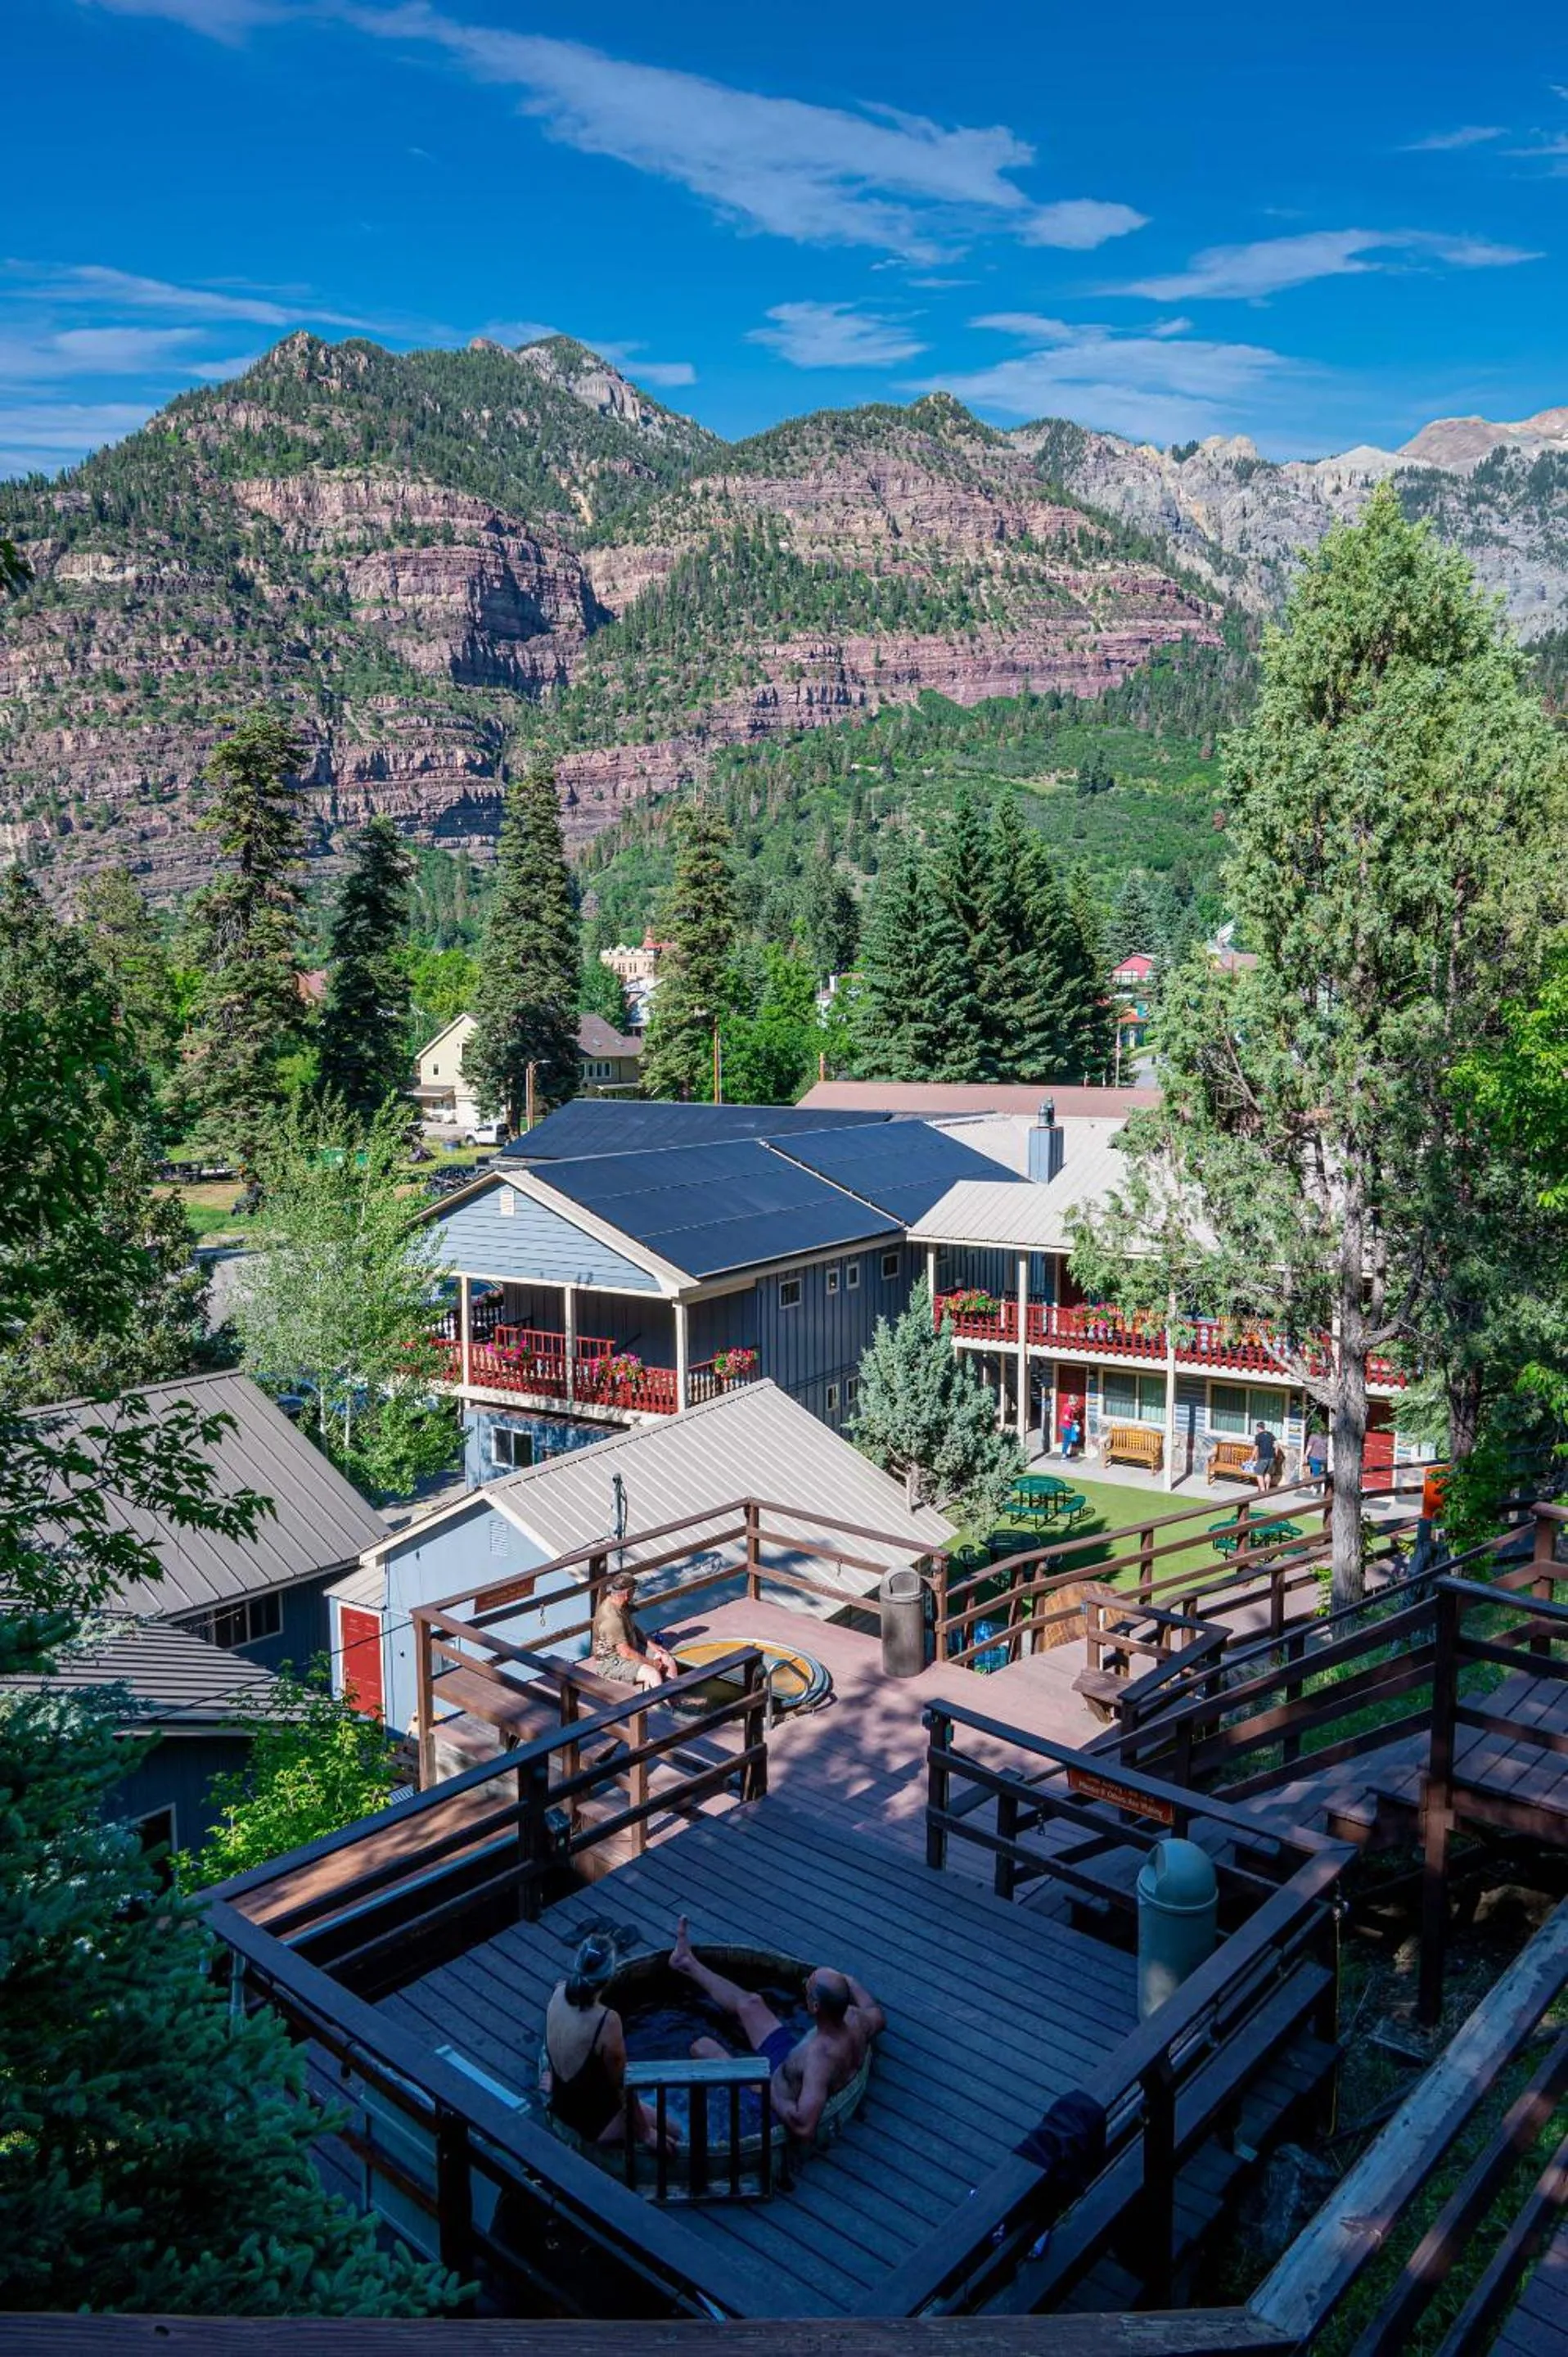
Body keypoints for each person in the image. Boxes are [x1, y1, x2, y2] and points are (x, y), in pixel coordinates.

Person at [670, 1914, 885, 2143]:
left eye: (807, 1986)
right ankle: (686, 1962)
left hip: (768, 2100)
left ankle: (705, 2111)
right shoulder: (855, 2018)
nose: (805, 1987)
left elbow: (804, 2129)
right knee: (752, 2004)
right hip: (788, 2065)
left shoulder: (819, 2061)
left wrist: (765, 2090)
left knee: (703, 2047)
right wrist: (848, 1981)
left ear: (814, 2006)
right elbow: (877, 2014)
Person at [541, 1934, 676, 2149]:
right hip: (593, 2123)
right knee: (676, 2131)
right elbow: (623, 2085)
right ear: (610, 1974)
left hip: (562, 2103)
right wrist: (645, 2133)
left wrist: (554, 2081)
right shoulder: (606, 2021)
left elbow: (562, 2047)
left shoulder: (558, 1994)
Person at [591, 1569, 678, 1691]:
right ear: (627, 1593)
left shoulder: (622, 1604)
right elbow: (625, 1653)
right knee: (652, 1673)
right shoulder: (612, 1618)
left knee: (667, 1659)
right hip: (611, 1662)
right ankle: (664, 1707)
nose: (635, 1593)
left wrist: (650, 1644)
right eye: (634, 1590)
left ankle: (675, 1698)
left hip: (631, 1648)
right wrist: (652, 1663)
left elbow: (632, 1627)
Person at [1250, 1422, 1279, 1496]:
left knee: (1259, 1474)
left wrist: (1251, 1458)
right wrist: (1275, 1454)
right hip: (1272, 1457)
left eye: (1257, 1428)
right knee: (1268, 1473)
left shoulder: (1258, 1436)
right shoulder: (1270, 1434)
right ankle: (1267, 1489)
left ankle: (1263, 1492)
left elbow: (1256, 1448)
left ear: (1258, 1428)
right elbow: (1276, 1445)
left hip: (1263, 1458)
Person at [1304, 1422, 1329, 1494]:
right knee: (1324, 1474)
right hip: (1324, 1458)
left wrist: (1305, 1456)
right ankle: (1323, 1488)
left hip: (1314, 1458)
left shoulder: (1313, 1436)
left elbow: (1309, 1447)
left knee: (1316, 1474)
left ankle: (1315, 1488)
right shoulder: (1327, 1437)